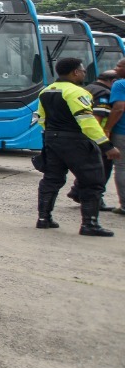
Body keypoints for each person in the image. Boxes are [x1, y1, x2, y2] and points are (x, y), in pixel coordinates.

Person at [35, 57, 120, 236]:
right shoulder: (77, 92)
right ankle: (90, 224)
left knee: (52, 179)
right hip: (76, 141)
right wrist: (106, 146)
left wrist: (50, 137)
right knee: (93, 181)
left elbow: (41, 118)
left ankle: (44, 218)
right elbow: (87, 121)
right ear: (74, 72)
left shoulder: (46, 91)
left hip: (52, 139)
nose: (83, 73)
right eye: (82, 70)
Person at [69, 68, 117, 211]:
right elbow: (97, 117)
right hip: (97, 137)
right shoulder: (104, 93)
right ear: (113, 81)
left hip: (81, 135)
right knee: (101, 170)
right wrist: (103, 139)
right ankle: (95, 199)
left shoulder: (88, 88)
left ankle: (77, 191)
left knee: (89, 169)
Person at [107, 58, 125, 214]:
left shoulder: (120, 84)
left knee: (121, 167)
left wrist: (107, 128)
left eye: (119, 66)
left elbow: (119, 108)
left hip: (122, 131)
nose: (115, 68)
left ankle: (124, 205)